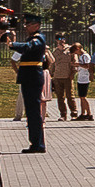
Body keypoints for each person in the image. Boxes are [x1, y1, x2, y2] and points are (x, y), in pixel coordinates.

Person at [8, 18, 49, 152]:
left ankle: (38, 144)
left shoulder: (38, 38)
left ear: (36, 25)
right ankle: (36, 143)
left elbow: (28, 47)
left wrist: (12, 44)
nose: (26, 27)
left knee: (33, 112)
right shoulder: (32, 38)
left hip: (32, 78)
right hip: (29, 77)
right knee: (31, 112)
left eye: (28, 24)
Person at [48, 38, 78, 121]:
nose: (61, 41)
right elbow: (52, 64)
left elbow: (75, 62)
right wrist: (50, 74)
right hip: (57, 77)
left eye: (63, 39)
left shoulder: (70, 50)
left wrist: (72, 73)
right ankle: (63, 114)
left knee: (70, 96)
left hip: (67, 77)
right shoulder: (55, 52)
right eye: (59, 39)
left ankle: (74, 113)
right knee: (60, 97)